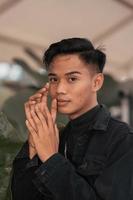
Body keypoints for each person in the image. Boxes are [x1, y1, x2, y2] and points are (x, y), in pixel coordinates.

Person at [10, 38, 133, 200]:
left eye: (72, 79)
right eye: (54, 79)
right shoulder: (54, 137)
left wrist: (51, 159)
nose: (59, 89)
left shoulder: (122, 139)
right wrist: (33, 148)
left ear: (96, 82)